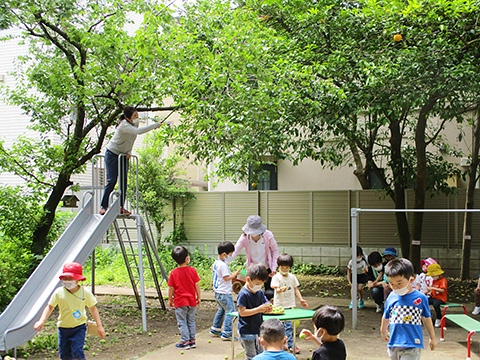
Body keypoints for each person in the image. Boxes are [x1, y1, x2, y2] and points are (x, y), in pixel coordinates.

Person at [34, 262, 105, 360]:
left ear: (78, 279)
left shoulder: (85, 293)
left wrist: (99, 326)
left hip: (79, 327)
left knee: (77, 352)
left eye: (70, 278)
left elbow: (93, 308)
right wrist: (42, 321)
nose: (67, 281)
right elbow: (50, 307)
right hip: (63, 328)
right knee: (64, 355)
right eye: (65, 278)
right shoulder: (59, 292)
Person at [99, 105, 162, 215]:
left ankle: (120, 207)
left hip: (123, 155)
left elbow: (132, 139)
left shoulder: (135, 123)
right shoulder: (124, 125)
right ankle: (103, 206)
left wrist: (129, 152)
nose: (137, 117)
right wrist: (155, 125)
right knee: (112, 180)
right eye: (135, 115)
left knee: (123, 182)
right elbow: (138, 132)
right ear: (128, 118)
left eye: (137, 114)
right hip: (113, 154)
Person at [381, 258, 436, 359]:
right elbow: (386, 315)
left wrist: (432, 338)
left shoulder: (420, 298)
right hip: (394, 343)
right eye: (392, 284)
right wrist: (383, 330)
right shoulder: (392, 296)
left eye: (399, 283)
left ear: (411, 280)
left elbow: (426, 318)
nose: (396, 287)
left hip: (412, 344)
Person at [229, 215, 279, 300]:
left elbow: (275, 251)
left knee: (270, 293)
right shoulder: (244, 237)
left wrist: (274, 268)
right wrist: (222, 262)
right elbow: (235, 251)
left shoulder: (268, 235)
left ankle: (269, 309)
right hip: (253, 269)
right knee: (253, 291)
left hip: (267, 268)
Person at [271, 253, 308, 354]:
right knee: (279, 327)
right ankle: (282, 344)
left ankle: (291, 345)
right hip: (279, 306)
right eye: (283, 267)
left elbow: (296, 289)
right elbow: (276, 289)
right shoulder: (276, 277)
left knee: (289, 326)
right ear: (278, 266)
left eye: (287, 267)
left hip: (289, 305)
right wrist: (280, 290)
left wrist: (301, 300)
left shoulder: (292, 277)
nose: (285, 269)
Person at [167, 246, 201, 350]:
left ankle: (185, 341)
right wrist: (198, 297)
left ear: (174, 260)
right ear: (187, 258)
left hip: (180, 302)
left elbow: (171, 288)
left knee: (182, 322)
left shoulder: (173, 273)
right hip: (191, 301)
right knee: (191, 320)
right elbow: (197, 285)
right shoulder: (192, 271)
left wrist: (170, 299)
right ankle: (192, 340)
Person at [237, 263, 273, 360]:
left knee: (261, 354)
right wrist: (258, 309)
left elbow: (264, 305)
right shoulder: (243, 294)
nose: (259, 286)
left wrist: (268, 308)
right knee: (251, 356)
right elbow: (242, 312)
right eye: (257, 284)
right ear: (248, 280)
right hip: (246, 330)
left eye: (261, 284)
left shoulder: (260, 292)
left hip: (258, 329)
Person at [210, 241, 241, 340]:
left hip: (218, 292)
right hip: (224, 293)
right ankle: (227, 332)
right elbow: (227, 278)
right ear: (224, 254)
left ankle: (216, 328)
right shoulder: (223, 265)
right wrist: (236, 274)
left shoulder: (217, 262)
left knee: (222, 310)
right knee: (230, 311)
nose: (231, 256)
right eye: (230, 254)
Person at [426, 263, 447, 328]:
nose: (432, 277)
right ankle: (428, 316)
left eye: (433, 275)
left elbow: (442, 290)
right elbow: (434, 288)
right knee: (425, 301)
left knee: (436, 304)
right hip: (434, 297)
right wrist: (430, 292)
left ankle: (439, 317)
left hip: (441, 299)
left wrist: (432, 288)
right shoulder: (434, 281)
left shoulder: (443, 280)